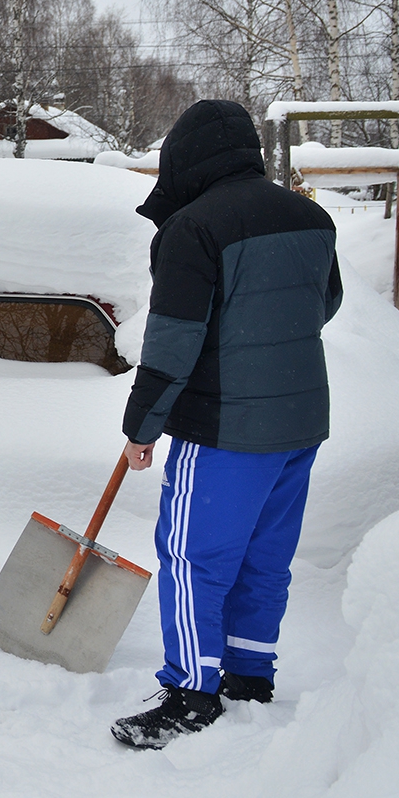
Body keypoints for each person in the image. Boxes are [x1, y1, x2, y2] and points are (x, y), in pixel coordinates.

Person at [111, 100, 341, 750]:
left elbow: (173, 342)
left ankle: (190, 692)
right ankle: (248, 674)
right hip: (299, 424)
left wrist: (142, 427)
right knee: (265, 557)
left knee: (191, 558)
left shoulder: (193, 229)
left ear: (187, 159)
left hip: (224, 427)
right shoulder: (311, 216)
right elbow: (324, 303)